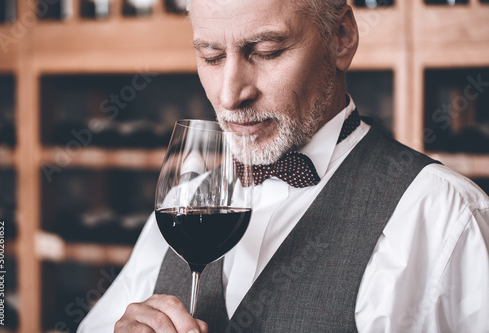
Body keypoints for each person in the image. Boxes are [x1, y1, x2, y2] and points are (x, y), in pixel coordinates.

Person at [79, 0, 489, 332]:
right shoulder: (185, 199)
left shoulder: (443, 215)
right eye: (212, 56)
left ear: (341, 37)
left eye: (266, 51)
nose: (230, 95)